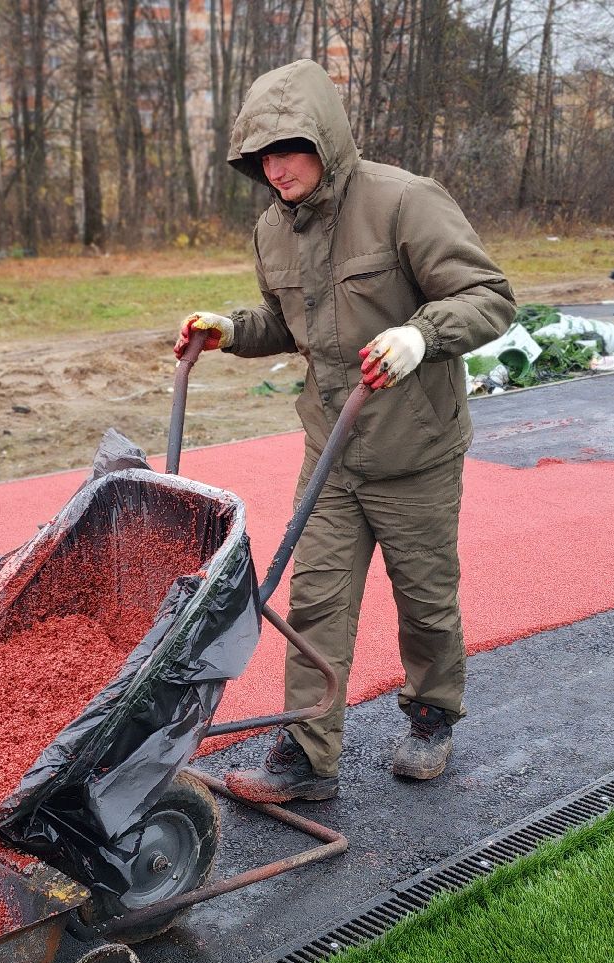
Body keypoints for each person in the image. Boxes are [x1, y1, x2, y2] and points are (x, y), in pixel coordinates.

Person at [176, 59, 516, 802]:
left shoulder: (402, 201)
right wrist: (231, 329)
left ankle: (431, 716)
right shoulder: (273, 228)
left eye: (290, 148)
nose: (277, 167)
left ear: (325, 141)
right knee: (315, 602)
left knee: (425, 597)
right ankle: (307, 752)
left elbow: (488, 296)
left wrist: (422, 335)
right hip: (331, 449)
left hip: (415, 447)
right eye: (262, 156)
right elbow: (291, 324)